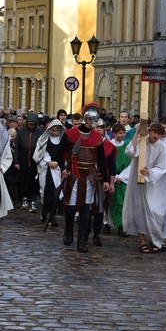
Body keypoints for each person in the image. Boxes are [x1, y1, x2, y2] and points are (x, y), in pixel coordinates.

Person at [59, 103, 112, 253]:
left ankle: (82, 240)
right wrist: (63, 168)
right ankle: (68, 231)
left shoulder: (97, 138)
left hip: (89, 175)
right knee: (71, 206)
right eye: (93, 122)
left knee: (86, 207)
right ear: (87, 120)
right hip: (74, 173)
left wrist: (106, 180)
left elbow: (101, 160)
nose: (95, 125)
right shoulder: (71, 134)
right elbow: (59, 151)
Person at [122, 122, 166, 253]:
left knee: (157, 211)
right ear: (149, 131)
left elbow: (163, 167)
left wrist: (150, 172)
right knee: (140, 210)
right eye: (154, 132)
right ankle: (142, 241)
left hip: (156, 183)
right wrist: (137, 133)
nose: (155, 136)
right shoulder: (141, 141)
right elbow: (129, 152)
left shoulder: (161, 146)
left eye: (159, 133)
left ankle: (156, 238)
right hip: (139, 182)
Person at [33, 118, 66, 227]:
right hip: (46, 170)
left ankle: (52, 216)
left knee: (55, 193)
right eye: (54, 130)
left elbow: (64, 154)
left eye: (57, 130)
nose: (55, 132)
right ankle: (44, 212)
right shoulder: (43, 139)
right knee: (46, 192)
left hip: (57, 170)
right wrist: (48, 162)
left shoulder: (62, 140)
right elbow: (40, 153)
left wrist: (57, 163)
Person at [15, 113, 43, 212]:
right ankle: (25, 198)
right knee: (23, 180)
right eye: (29, 124)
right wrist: (17, 161)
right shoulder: (21, 132)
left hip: (35, 161)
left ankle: (33, 200)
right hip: (23, 160)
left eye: (33, 124)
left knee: (34, 181)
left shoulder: (40, 132)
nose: (31, 126)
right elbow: (17, 148)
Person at [110, 123, 131, 237]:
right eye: (120, 133)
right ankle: (107, 223)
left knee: (121, 202)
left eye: (123, 133)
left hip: (122, 178)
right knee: (110, 202)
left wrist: (121, 177)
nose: (122, 135)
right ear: (114, 134)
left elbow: (129, 164)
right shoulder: (109, 145)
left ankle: (120, 226)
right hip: (111, 177)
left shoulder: (126, 147)